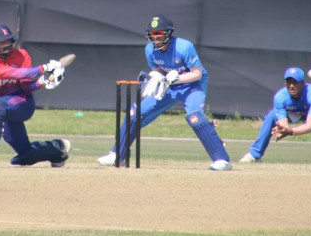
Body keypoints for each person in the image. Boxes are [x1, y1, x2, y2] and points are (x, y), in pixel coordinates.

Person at [97, 15, 233, 171]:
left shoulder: (184, 47)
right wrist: (156, 75)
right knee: (135, 113)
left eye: (159, 34)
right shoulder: (150, 50)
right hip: (168, 85)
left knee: (195, 116)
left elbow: (197, 73)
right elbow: (160, 68)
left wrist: (176, 78)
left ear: (168, 33)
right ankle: (117, 155)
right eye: (153, 34)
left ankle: (222, 160)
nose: (156, 38)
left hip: (192, 85)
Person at [0, 23, 71, 168]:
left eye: (8, 41)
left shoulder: (22, 54)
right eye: (2, 42)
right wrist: (44, 68)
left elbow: (26, 86)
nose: (6, 45)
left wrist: (43, 82)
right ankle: (57, 150)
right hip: (4, 107)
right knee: (24, 154)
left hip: (22, 103)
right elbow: (13, 73)